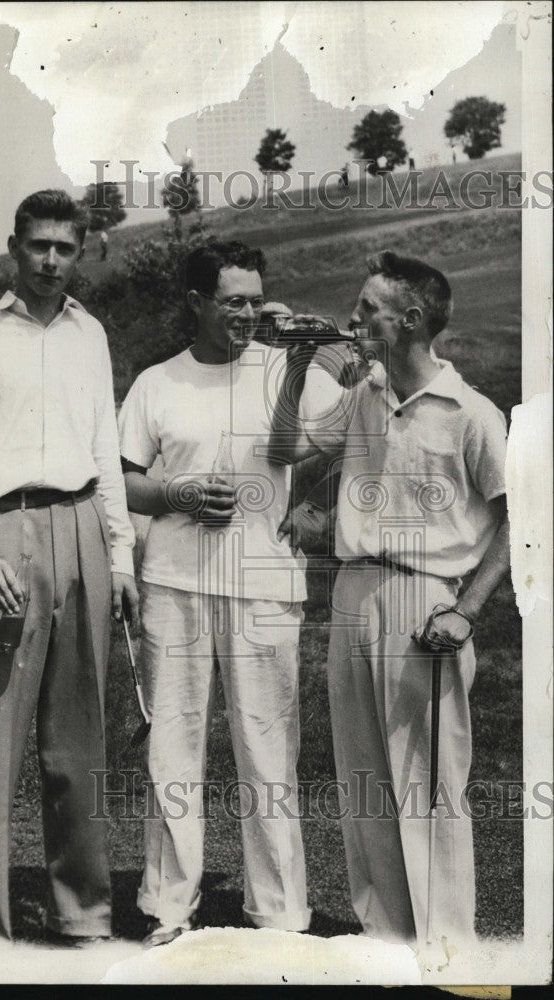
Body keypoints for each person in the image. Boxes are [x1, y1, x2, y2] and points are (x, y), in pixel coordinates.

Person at [268, 250, 509, 946]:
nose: (353, 318)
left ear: (408, 320)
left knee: (427, 785)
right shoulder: (365, 395)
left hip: (423, 600)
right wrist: (294, 366)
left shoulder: (471, 413)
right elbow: (285, 449)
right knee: (364, 782)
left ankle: (444, 949)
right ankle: (383, 942)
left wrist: (466, 610)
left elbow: (524, 515)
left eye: (367, 309)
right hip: (352, 593)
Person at [0, 189, 138, 947]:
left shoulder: (91, 334)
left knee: (78, 741)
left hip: (81, 525)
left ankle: (83, 913)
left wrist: (120, 556)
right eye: (39, 245)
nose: (52, 260)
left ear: (81, 252)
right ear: (13, 246)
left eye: (66, 247)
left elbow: (106, 450)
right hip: (2, 535)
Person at [118, 239, 311, 947]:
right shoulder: (155, 383)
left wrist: (294, 363)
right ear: (196, 303)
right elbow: (124, 481)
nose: (248, 312)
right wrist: (178, 492)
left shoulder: (282, 368)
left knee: (267, 749)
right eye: (233, 300)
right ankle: (168, 906)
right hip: (175, 584)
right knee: (172, 748)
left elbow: (295, 454)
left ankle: (279, 914)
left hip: (264, 584)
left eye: (255, 299)